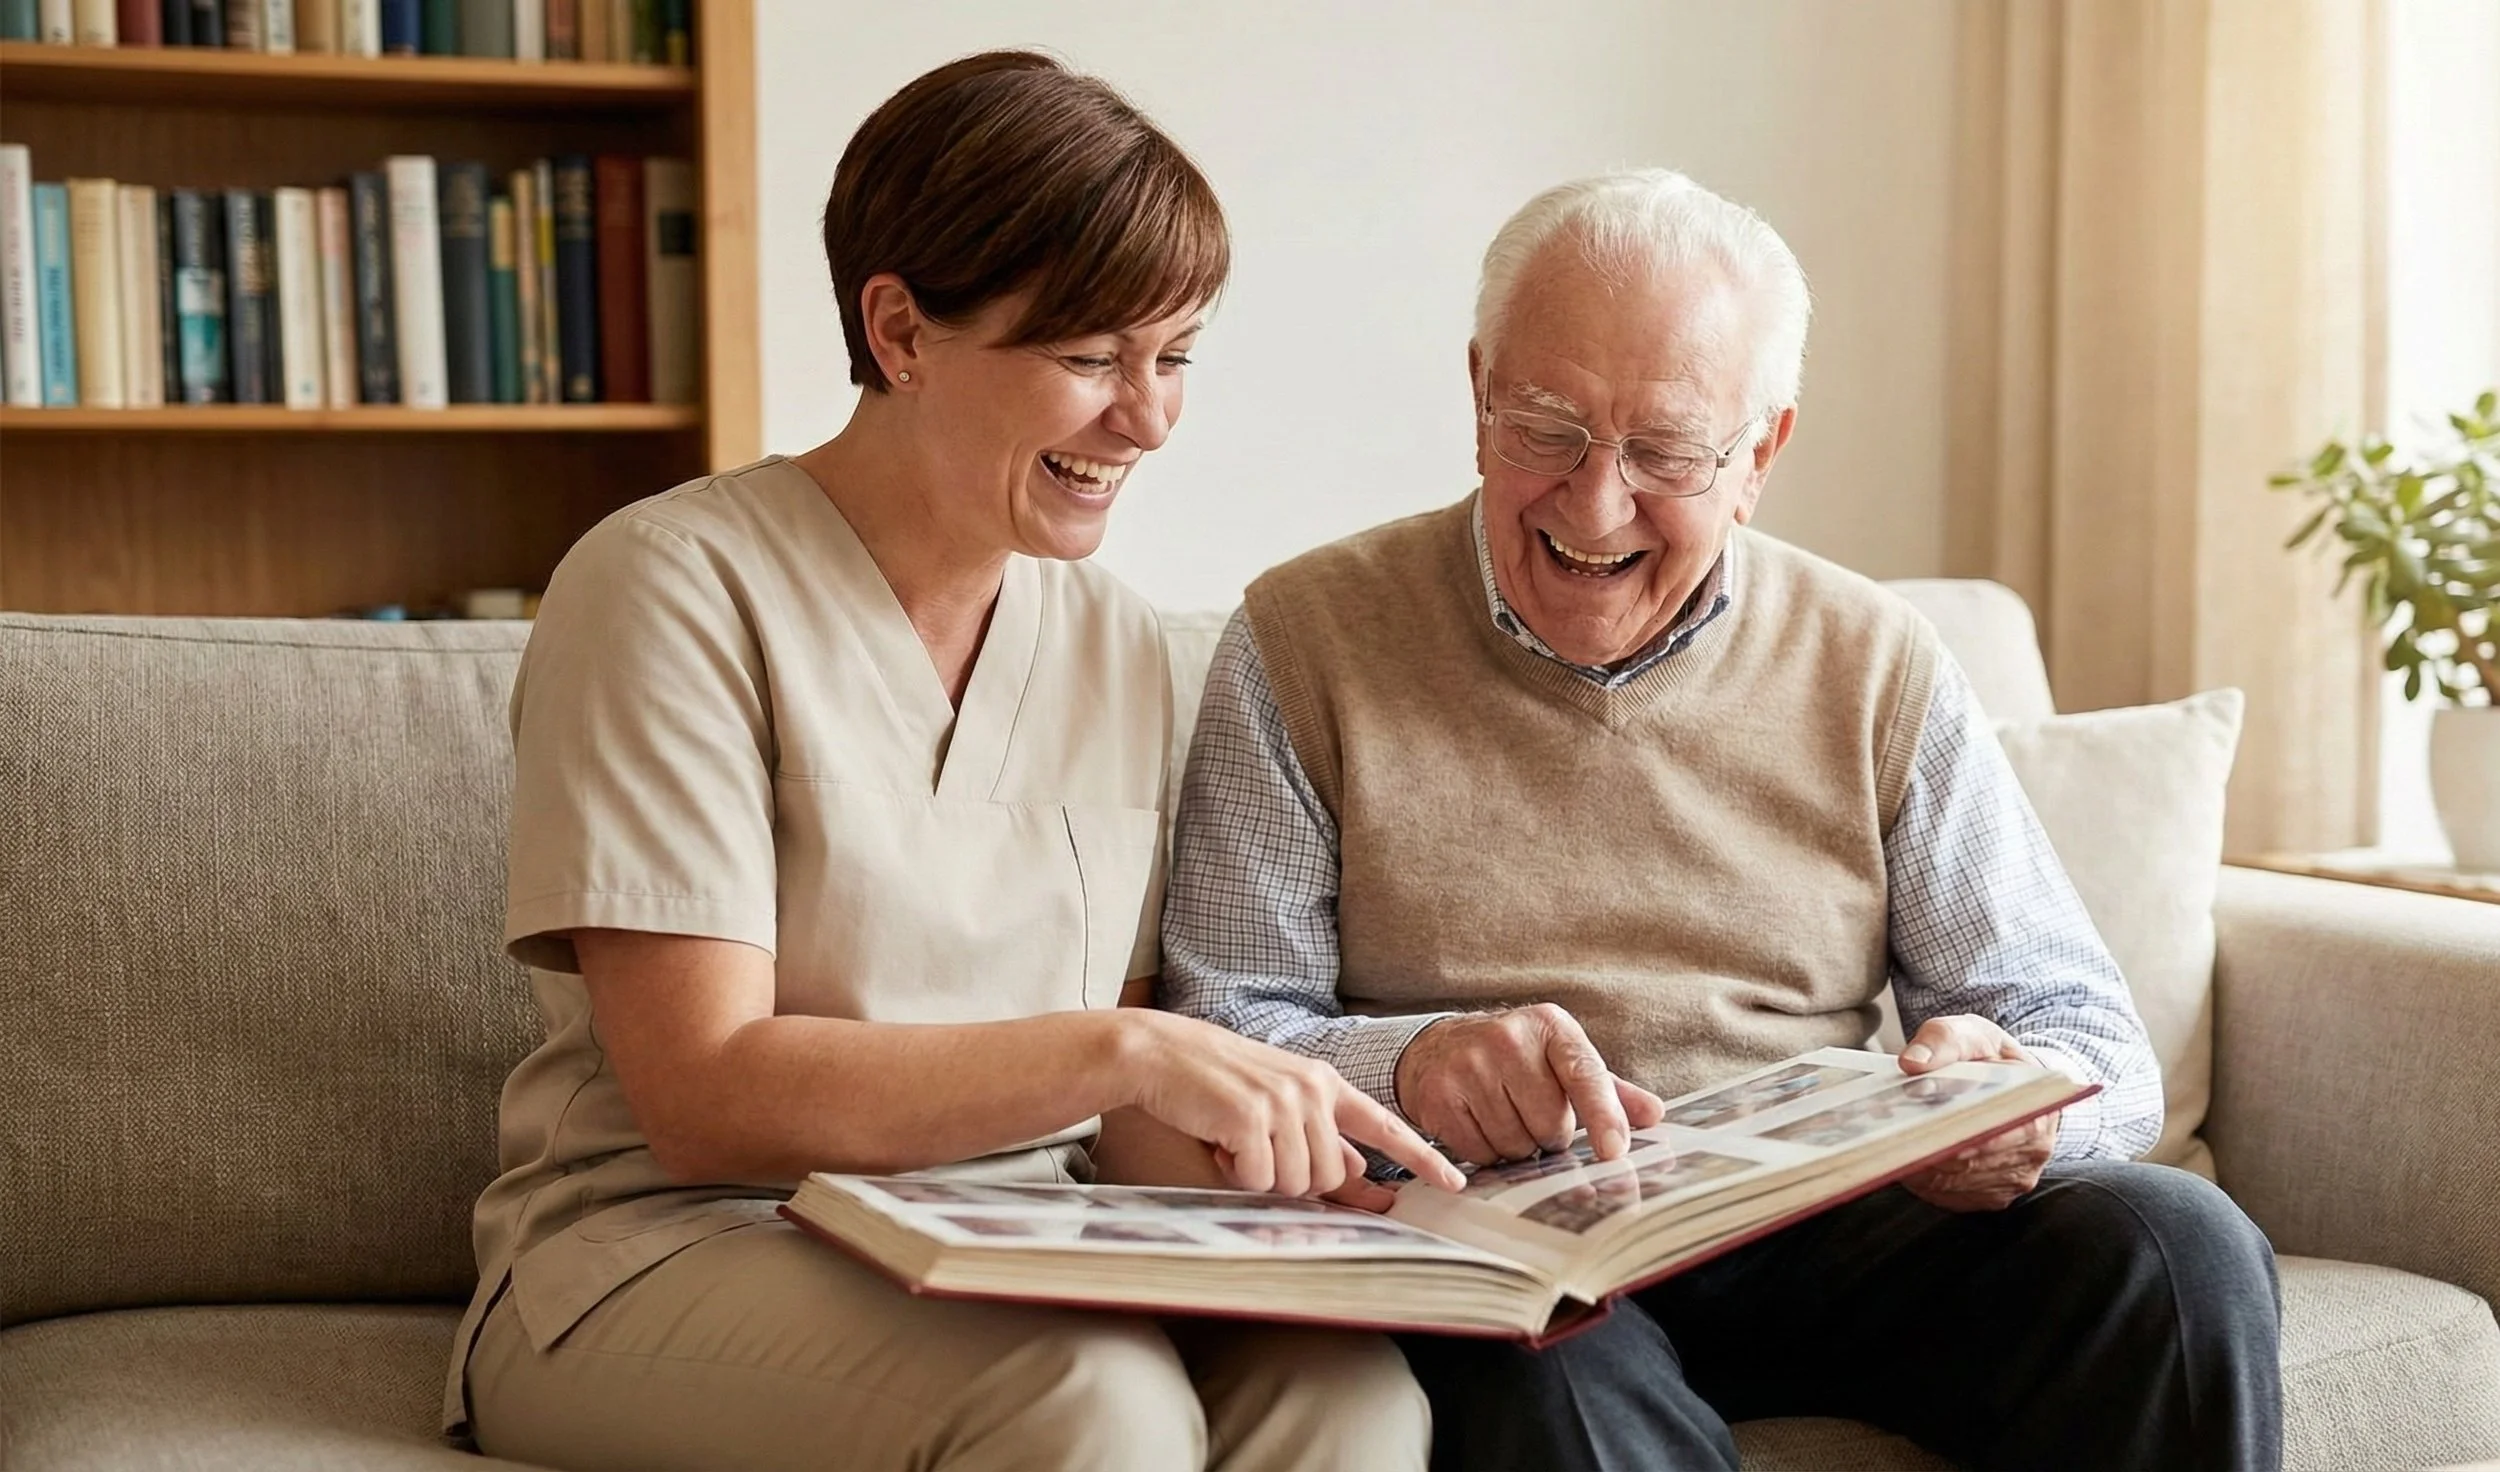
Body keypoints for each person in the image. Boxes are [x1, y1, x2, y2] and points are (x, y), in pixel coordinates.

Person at [1163, 169, 2283, 1471]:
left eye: (1666, 451)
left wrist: (2019, 1108)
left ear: (1761, 453)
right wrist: (1408, 1068)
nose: (1594, 503)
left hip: (1821, 1225)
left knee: (2174, 1253)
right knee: (1549, 1388)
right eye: (1547, 424)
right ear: (1477, 393)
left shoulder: (1872, 659)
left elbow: (2082, 1028)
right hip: (1507, 1239)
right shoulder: (1304, 639)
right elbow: (1221, 1027)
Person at [441, 50, 1462, 1472]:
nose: (1148, 418)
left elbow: (1131, 1108)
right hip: (675, 1248)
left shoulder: (1113, 641)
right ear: (903, 330)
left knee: (1346, 1394)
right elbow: (703, 1096)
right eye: (1092, 357)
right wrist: (1125, 1053)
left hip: (1025, 1238)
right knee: (1087, 1401)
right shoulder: (667, 588)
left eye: (1174, 359)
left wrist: (1307, 1172)